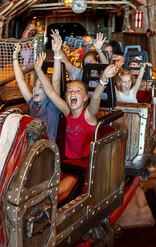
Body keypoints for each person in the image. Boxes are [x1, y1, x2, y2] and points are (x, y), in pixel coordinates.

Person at [35, 53, 119, 203]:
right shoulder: (67, 112)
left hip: (83, 168)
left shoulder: (89, 114)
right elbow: (50, 93)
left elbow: (96, 98)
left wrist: (104, 79)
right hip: (67, 164)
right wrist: (38, 70)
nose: (72, 93)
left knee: (57, 192)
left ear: (85, 98)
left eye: (77, 91)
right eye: (69, 91)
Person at [12, 30, 62, 141]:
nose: (35, 89)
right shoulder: (33, 103)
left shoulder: (52, 105)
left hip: (45, 150)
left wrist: (57, 54)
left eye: (40, 87)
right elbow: (21, 81)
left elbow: (56, 81)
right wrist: (15, 58)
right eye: (35, 86)